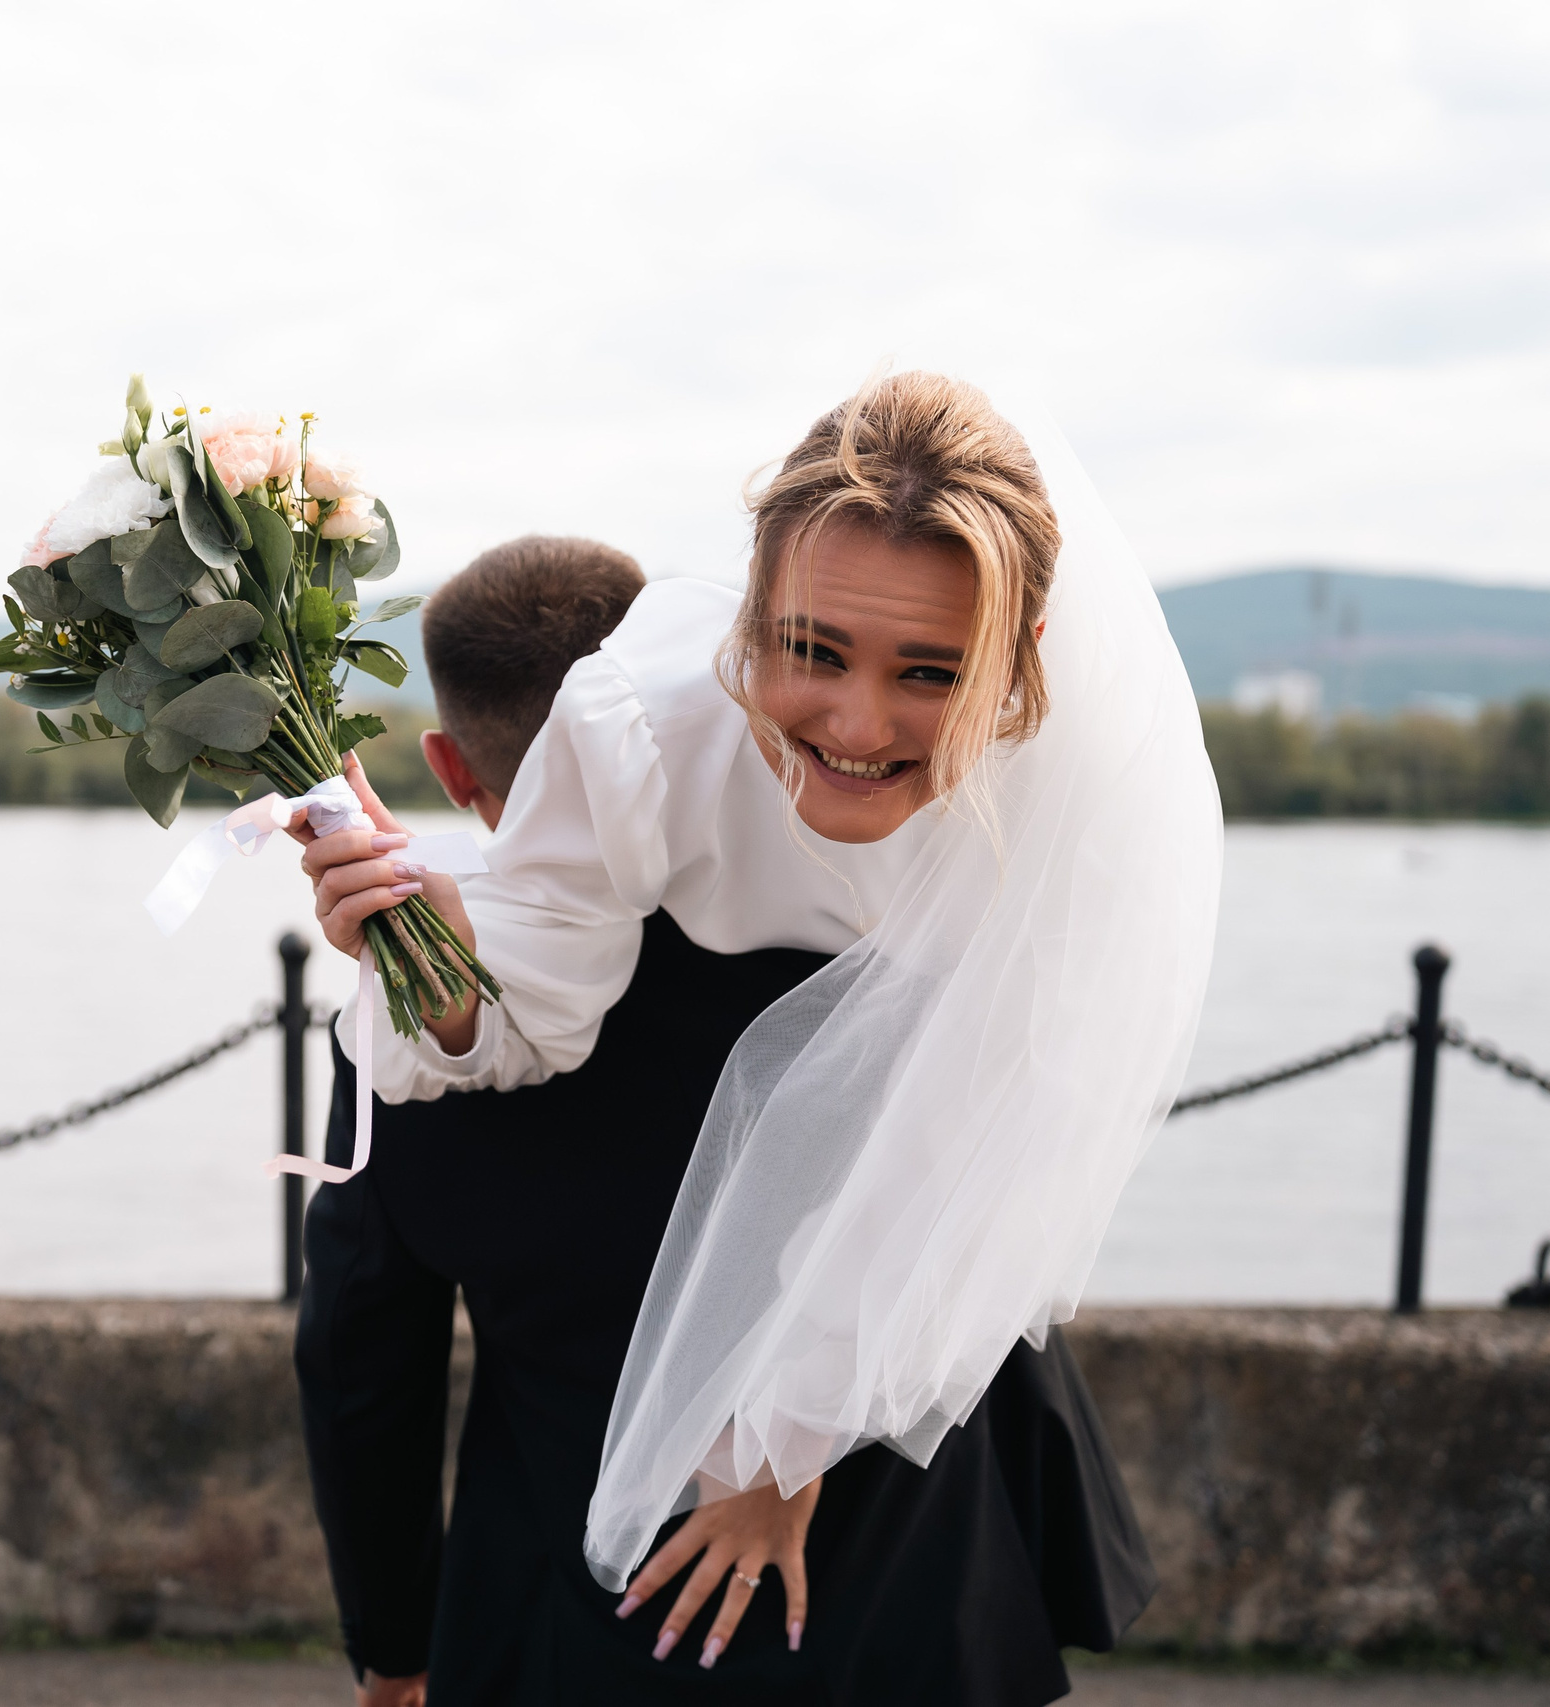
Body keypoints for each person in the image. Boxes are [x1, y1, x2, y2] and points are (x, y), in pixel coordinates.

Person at [298, 371, 1220, 1704]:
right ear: (747, 618)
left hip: (861, 1472)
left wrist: (783, 1446)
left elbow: (1000, 1146)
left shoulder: (1072, 827)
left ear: (1016, 671)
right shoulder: (634, 736)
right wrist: (444, 977)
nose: (856, 723)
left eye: (933, 676)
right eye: (813, 651)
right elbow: (536, 977)